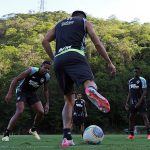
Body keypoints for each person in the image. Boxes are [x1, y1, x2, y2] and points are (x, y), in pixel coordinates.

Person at [42, 10, 116, 147]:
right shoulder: (84, 22)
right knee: (89, 82)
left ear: (72, 16)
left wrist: (54, 58)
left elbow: (45, 40)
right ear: (83, 16)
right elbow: (97, 43)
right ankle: (91, 90)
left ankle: (66, 138)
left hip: (59, 60)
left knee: (69, 100)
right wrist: (109, 62)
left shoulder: (59, 24)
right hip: (75, 55)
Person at [2, 61, 51, 141]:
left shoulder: (47, 77)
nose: (46, 70)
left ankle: (33, 129)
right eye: (45, 67)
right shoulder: (32, 70)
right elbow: (16, 79)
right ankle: (6, 134)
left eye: (48, 69)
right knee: (20, 111)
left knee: (41, 112)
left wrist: (47, 103)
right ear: (41, 66)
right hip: (22, 91)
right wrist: (9, 92)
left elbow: (45, 90)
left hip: (32, 93)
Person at [125, 67, 150, 139]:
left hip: (141, 102)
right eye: (134, 71)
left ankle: (149, 134)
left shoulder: (142, 80)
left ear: (139, 72)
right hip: (133, 103)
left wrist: (139, 102)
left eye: (136, 71)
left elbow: (144, 91)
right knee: (131, 118)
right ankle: (131, 135)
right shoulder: (131, 81)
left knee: (144, 117)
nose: (135, 73)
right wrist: (126, 102)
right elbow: (129, 92)